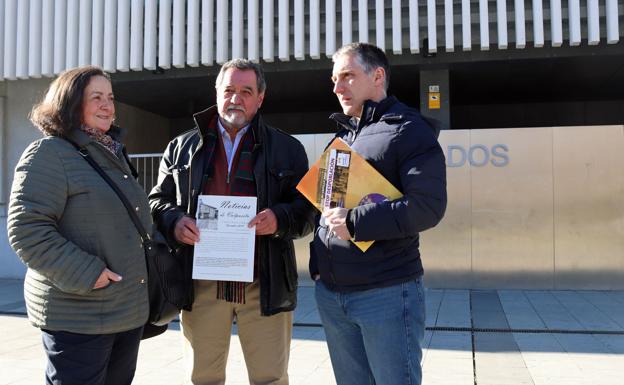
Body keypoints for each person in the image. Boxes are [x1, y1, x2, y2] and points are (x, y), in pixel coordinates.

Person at [149, 58, 314, 385]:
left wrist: (278, 218)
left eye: (246, 91)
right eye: (228, 90)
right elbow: (157, 201)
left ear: (260, 97)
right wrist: (175, 222)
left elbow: (307, 212)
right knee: (203, 378)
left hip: (263, 283)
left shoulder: (287, 149)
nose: (235, 98)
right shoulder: (181, 148)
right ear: (216, 92)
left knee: (271, 378)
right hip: (202, 285)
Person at [310, 43, 447, 385]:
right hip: (331, 295)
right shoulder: (342, 137)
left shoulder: (409, 130)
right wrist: (317, 265)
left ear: (378, 76)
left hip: (385, 293)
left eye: (347, 76)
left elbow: (427, 207)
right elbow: (324, 208)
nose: (337, 88)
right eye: (334, 80)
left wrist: (355, 222)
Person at [7, 66, 152, 385]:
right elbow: (27, 230)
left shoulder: (110, 154)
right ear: (70, 103)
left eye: (110, 97)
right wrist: (90, 275)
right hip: (79, 315)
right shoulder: (50, 153)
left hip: (124, 311)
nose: (107, 106)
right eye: (96, 97)